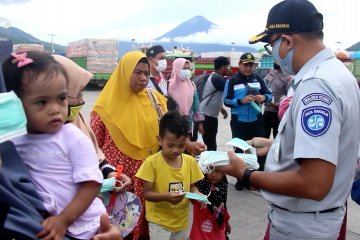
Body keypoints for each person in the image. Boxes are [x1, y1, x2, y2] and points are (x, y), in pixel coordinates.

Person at [218, 0, 360, 239]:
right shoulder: (338, 74)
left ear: (287, 41)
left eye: (270, 45)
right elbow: (332, 147)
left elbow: (314, 183)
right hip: (319, 218)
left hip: (301, 226)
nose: (271, 52)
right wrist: (277, 147)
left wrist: (244, 173)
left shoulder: (317, 86)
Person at [90, 51, 206, 240]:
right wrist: (106, 175)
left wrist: (188, 144)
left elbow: (170, 129)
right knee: (120, 228)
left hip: (153, 177)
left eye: (146, 73)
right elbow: (93, 148)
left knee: (151, 228)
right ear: (124, 72)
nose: (144, 78)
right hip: (122, 182)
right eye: (137, 73)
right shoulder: (103, 108)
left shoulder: (156, 99)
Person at [2, 51, 107, 240]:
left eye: (61, 98)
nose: (56, 109)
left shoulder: (72, 137)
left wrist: (64, 219)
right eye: (42, 102)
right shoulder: (13, 143)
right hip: (49, 225)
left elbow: (91, 184)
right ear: (15, 104)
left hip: (86, 227)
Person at [53, 54, 132, 187]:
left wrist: (109, 173)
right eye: (77, 93)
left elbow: (94, 156)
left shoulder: (76, 119)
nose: (82, 100)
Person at [135, 111, 204, 240]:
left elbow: (192, 186)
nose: (176, 150)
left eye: (181, 146)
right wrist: (166, 196)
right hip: (159, 223)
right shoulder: (152, 163)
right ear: (160, 140)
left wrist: (197, 193)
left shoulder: (189, 162)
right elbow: (147, 194)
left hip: (181, 222)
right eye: (171, 145)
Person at [223, 52, 272, 190]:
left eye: (251, 65)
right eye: (245, 65)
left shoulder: (258, 79)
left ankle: (258, 179)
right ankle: (241, 179)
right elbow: (226, 100)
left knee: (259, 150)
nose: (248, 68)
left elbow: (269, 95)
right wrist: (241, 101)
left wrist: (263, 98)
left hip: (257, 121)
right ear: (239, 65)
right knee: (240, 150)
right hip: (239, 122)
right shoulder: (232, 80)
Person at [168, 58, 204, 139]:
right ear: (177, 69)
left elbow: (196, 105)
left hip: (188, 125)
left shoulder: (191, 85)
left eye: (188, 68)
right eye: (184, 68)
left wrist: (199, 123)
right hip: (172, 125)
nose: (187, 71)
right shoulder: (169, 85)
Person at [189, 170, 231, 240]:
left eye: (218, 171)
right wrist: (197, 193)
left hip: (218, 232)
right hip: (200, 235)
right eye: (210, 170)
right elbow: (192, 187)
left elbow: (223, 209)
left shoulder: (222, 188)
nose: (213, 175)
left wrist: (226, 224)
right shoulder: (200, 188)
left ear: (224, 173)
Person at [200, 56, 229, 151]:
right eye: (227, 66)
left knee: (210, 141)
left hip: (209, 116)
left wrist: (222, 109)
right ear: (223, 67)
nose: (228, 69)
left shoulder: (214, 77)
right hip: (207, 117)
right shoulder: (217, 79)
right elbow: (230, 91)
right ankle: (210, 164)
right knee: (210, 144)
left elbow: (214, 97)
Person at [263, 62, 291, 139]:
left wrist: (276, 104)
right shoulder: (271, 72)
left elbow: (289, 98)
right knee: (264, 136)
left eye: (278, 61)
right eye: (275, 60)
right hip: (267, 110)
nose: (276, 62)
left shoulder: (288, 77)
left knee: (277, 137)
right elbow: (264, 85)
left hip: (277, 113)